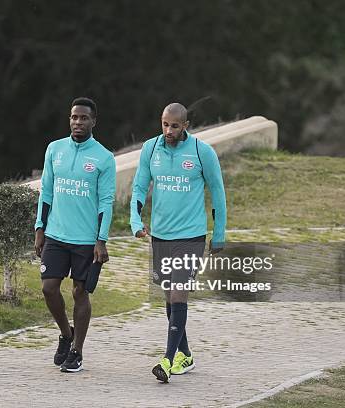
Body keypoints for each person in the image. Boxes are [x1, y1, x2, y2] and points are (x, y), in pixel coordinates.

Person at [130, 103, 226, 383]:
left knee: (178, 294)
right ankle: (186, 354)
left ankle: (168, 361)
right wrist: (136, 222)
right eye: (164, 124)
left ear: (185, 125)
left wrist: (218, 233)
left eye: (174, 125)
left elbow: (217, 192)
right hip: (161, 235)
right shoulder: (151, 149)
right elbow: (138, 187)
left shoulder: (201, 152)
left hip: (191, 236)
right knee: (169, 300)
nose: (168, 130)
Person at [34, 97, 116, 373]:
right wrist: (39, 229)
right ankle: (65, 334)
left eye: (83, 118)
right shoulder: (54, 149)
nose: (77, 122)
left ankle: (77, 351)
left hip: (85, 240)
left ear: (94, 121)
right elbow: (46, 192)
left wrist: (100, 240)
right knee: (48, 288)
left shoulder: (104, 157)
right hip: (56, 235)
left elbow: (106, 201)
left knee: (80, 293)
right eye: (73, 117)